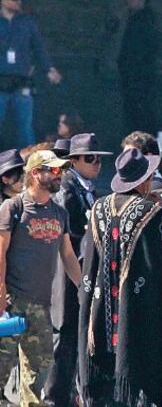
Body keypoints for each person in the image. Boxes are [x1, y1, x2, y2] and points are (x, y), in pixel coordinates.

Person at [79, 147, 162, 406]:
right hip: (137, 310)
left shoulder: (98, 207)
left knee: (105, 386)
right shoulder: (151, 212)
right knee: (139, 382)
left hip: (100, 308)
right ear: (145, 180)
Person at [0, 150, 81, 404]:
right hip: (12, 303)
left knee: (39, 372)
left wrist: (84, 287)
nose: (60, 176)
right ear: (35, 173)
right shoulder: (14, 208)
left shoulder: (59, 213)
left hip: (41, 306)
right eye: (54, 170)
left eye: (61, 171)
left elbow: (67, 255)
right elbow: (0, 253)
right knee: (1, 369)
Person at [44, 134, 110, 407]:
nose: (97, 164)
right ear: (73, 160)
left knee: (76, 335)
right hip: (68, 270)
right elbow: (67, 236)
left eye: (99, 158)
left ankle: (68, 395)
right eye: (90, 158)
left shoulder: (88, 188)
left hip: (82, 269)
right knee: (65, 334)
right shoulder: (67, 189)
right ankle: (53, 398)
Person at [0, 0, 62, 147]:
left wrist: (49, 68)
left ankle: (30, 167)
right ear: (3, 0)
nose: (18, 1)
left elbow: (39, 47)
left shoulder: (27, 22)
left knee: (25, 126)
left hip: (22, 79)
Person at [116, 0, 160, 133]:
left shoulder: (145, 20)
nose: (129, 0)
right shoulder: (133, 18)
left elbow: (140, 48)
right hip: (132, 73)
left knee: (139, 109)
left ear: (142, 0)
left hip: (138, 74)